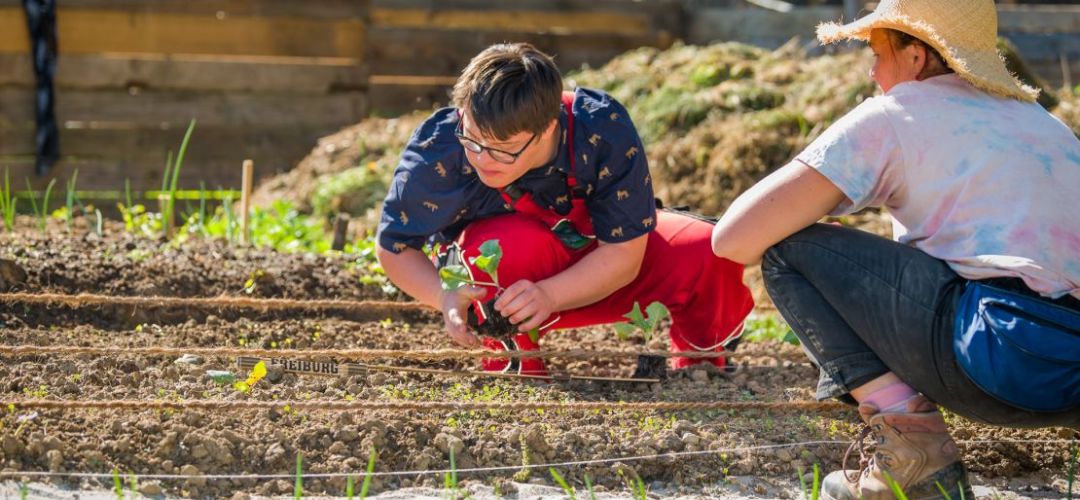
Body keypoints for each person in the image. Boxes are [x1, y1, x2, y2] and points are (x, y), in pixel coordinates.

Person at [710, 1, 1080, 499]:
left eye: (878, 52)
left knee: (789, 251)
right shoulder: (1045, 124)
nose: (871, 70)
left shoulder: (895, 114)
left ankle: (912, 451)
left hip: (1000, 358)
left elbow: (733, 238)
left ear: (916, 56)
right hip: (1071, 373)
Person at [376, 43, 754, 377]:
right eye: (472, 138)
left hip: (603, 263)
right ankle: (517, 370)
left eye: (501, 147)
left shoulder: (599, 128)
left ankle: (699, 366)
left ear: (547, 128)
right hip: (509, 281)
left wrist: (551, 295)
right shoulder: (442, 146)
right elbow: (395, 246)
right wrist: (443, 295)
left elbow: (625, 253)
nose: (480, 157)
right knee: (498, 247)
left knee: (710, 248)